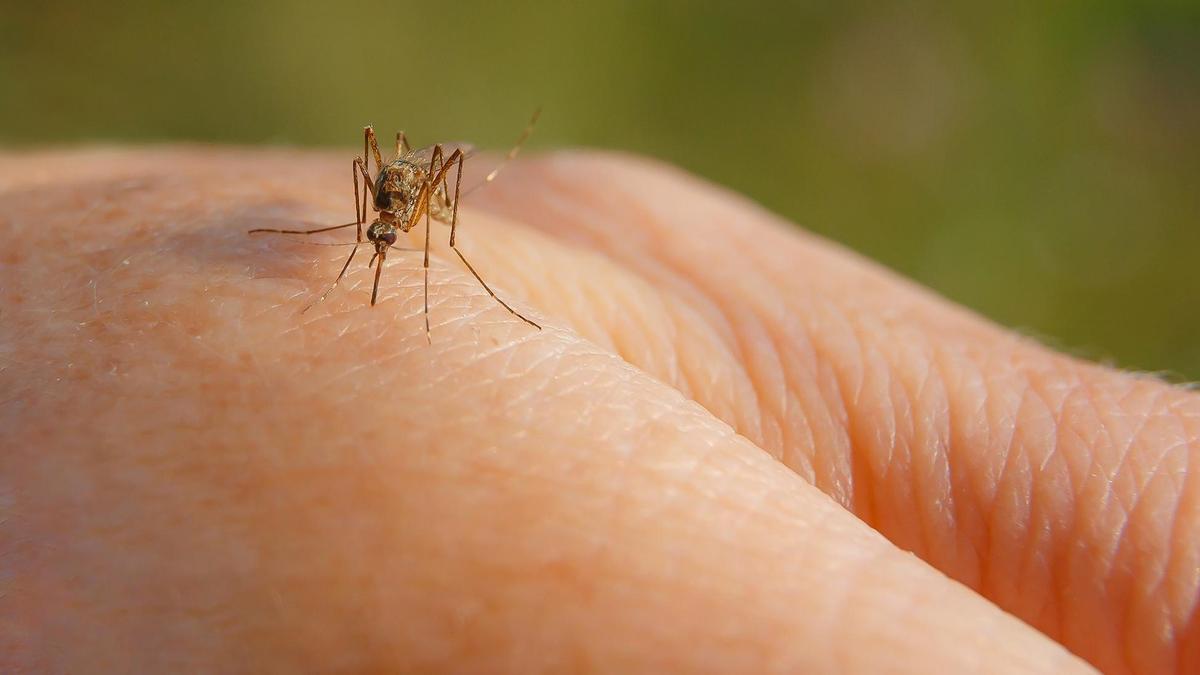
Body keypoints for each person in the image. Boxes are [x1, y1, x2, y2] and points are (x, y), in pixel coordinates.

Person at [3, 148, 1194, 674]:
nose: (378, 236)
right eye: (380, 226)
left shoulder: (416, 203)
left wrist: (440, 249)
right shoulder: (368, 210)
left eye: (384, 224)